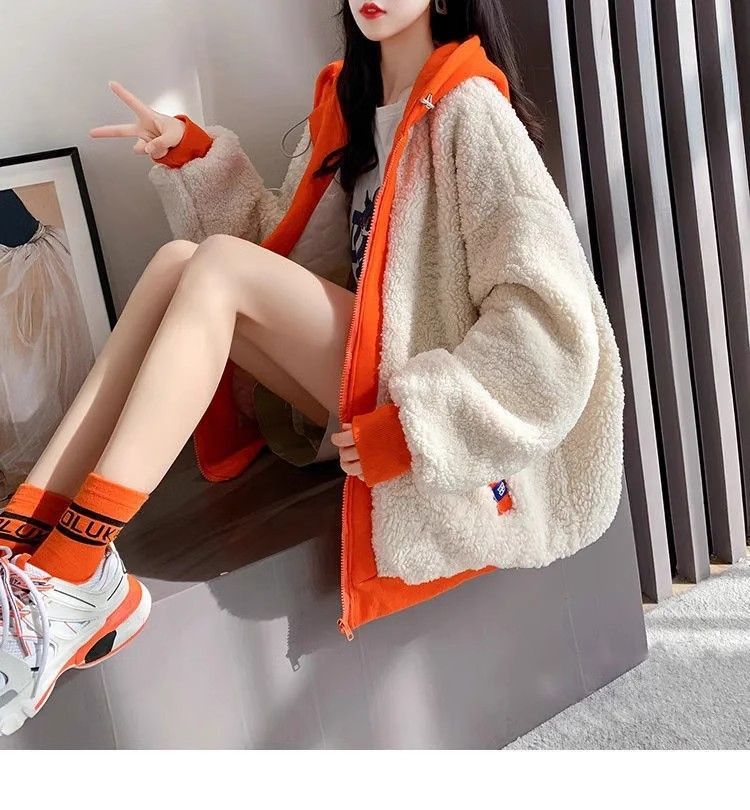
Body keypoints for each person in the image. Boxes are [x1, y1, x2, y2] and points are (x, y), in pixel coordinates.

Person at [0, 0, 624, 736]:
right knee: (177, 264)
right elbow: (278, 256)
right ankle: (22, 536)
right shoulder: (346, 105)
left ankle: (75, 571)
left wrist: (416, 427)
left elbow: (549, 326)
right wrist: (194, 157)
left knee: (213, 267)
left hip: (419, 420)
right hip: (343, 385)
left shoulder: (470, 110)